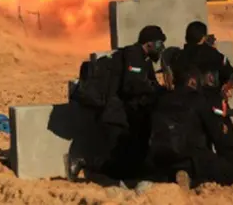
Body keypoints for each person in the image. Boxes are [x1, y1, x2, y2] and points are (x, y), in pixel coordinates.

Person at [67, 25, 167, 182]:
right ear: (148, 43)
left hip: (126, 116)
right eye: (159, 44)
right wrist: (151, 89)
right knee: (120, 164)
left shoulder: (144, 60)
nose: (161, 48)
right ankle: (85, 163)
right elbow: (131, 85)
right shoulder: (133, 55)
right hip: (115, 116)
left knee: (135, 161)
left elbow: (150, 84)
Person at [149, 52, 233, 188]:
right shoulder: (199, 101)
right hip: (191, 160)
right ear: (192, 81)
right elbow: (220, 136)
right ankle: (192, 178)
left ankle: (175, 175)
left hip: (161, 162)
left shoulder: (161, 100)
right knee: (228, 172)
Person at [181, 21, 233, 116]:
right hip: (211, 107)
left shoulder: (179, 56)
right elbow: (230, 73)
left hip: (186, 109)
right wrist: (228, 85)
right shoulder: (214, 55)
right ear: (203, 37)